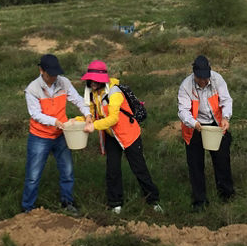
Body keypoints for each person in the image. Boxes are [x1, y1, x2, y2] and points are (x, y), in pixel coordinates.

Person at [82, 59, 158, 214]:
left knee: (139, 169)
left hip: (129, 134)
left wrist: (94, 126)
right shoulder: (92, 93)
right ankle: (115, 203)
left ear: (102, 80)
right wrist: (83, 119)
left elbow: (113, 118)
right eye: (90, 80)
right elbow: (91, 112)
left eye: (95, 81)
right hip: (112, 135)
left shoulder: (114, 93)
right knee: (112, 169)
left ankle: (153, 201)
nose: (92, 83)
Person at [21, 53, 93, 215]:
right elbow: (35, 114)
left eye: (55, 74)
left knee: (67, 171)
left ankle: (67, 202)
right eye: (50, 75)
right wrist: (55, 122)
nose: (53, 78)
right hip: (40, 136)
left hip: (61, 135)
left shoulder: (64, 82)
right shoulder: (32, 89)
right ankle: (28, 208)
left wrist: (87, 115)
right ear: (41, 71)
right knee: (33, 175)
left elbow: (78, 100)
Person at [177, 55, 236, 209]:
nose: (203, 81)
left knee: (222, 160)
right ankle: (200, 201)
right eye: (200, 78)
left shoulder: (217, 80)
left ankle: (226, 195)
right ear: (194, 74)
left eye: (206, 78)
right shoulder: (186, 86)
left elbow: (226, 100)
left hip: (216, 124)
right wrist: (193, 123)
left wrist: (226, 117)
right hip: (194, 127)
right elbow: (183, 111)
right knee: (195, 165)